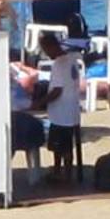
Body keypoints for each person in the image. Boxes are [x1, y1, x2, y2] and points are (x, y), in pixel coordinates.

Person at [36, 34, 82, 185]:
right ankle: (59, 172)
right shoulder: (72, 60)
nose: (46, 53)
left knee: (62, 147)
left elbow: (57, 91)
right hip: (72, 109)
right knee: (63, 145)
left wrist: (40, 102)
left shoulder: (59, 64)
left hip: (61, 112)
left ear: (51, 46)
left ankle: (65, 175)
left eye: (45, 49)